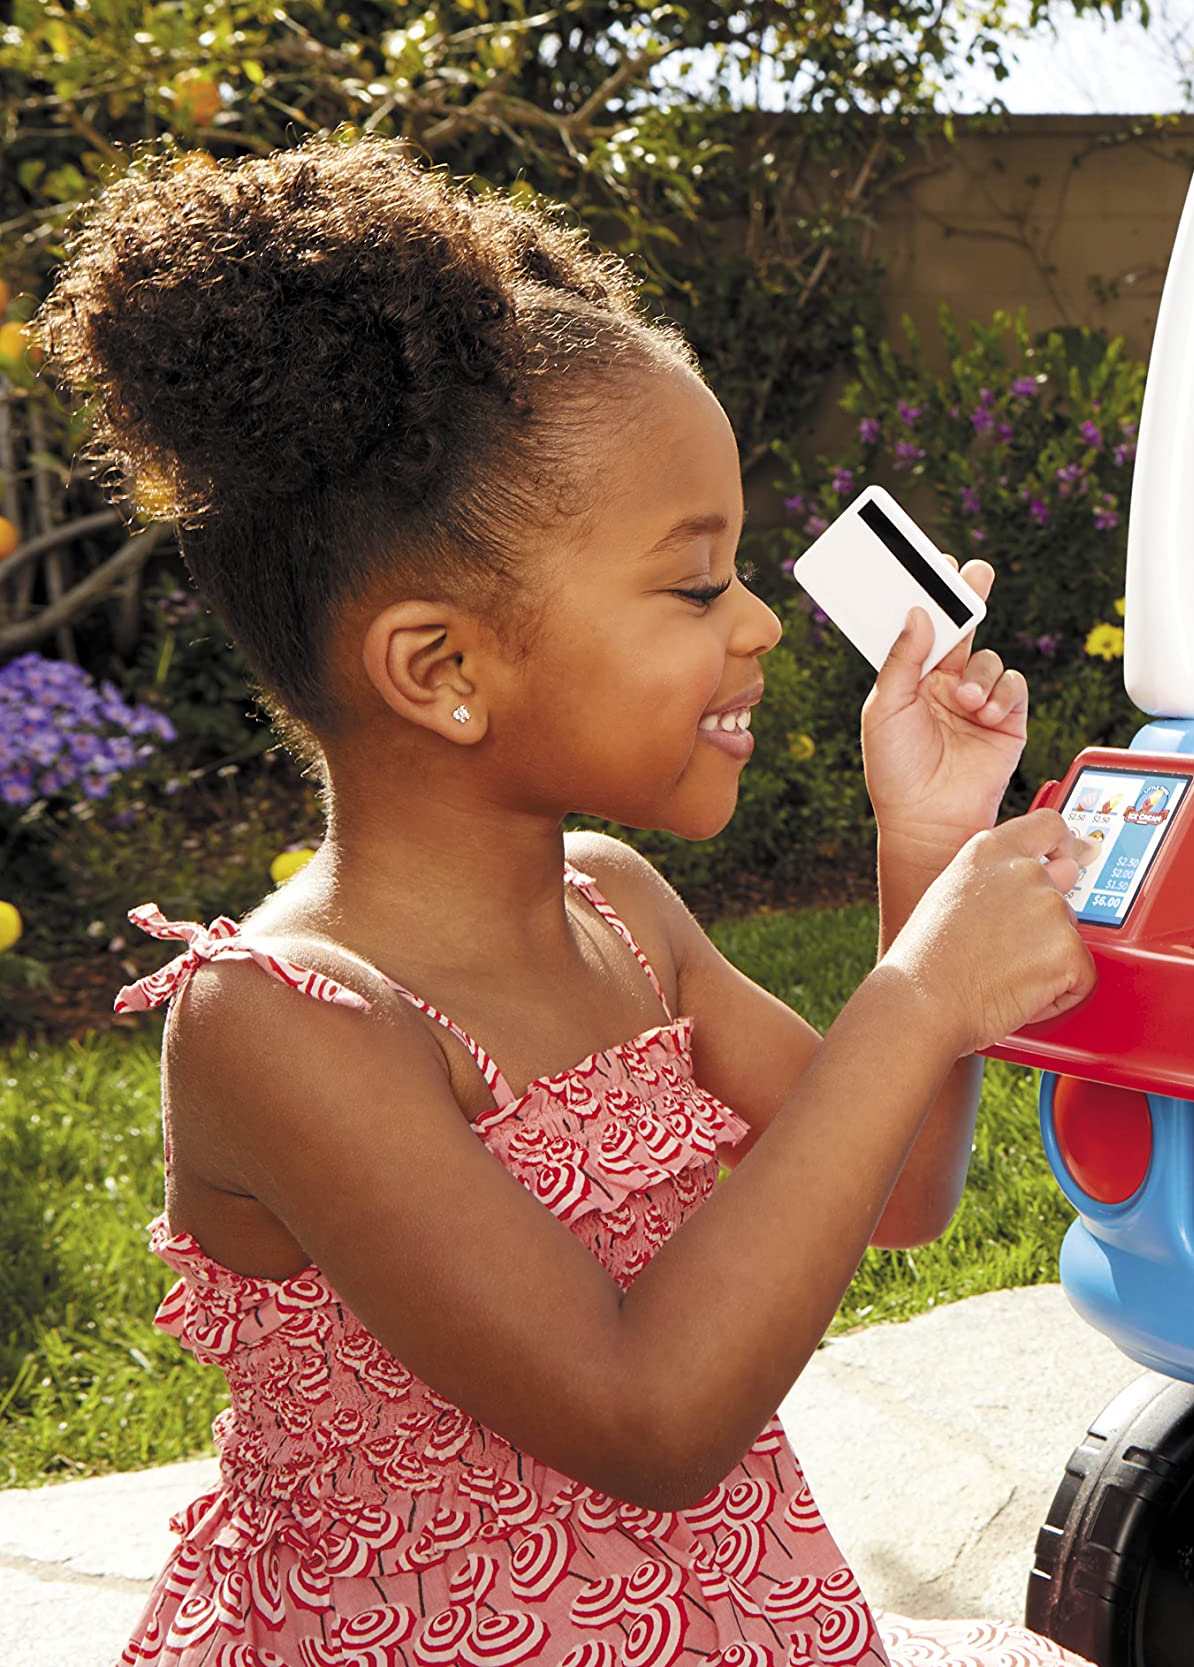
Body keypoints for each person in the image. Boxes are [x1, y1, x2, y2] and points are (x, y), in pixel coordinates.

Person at [38, 136, 1102, 1667]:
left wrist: (926, 846)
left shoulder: (618, 911)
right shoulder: (283, 1022)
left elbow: (893, 1193)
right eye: (692, 586)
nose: (755, 627)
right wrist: (922, 994)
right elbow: (649, 1418)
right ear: (443, 669)